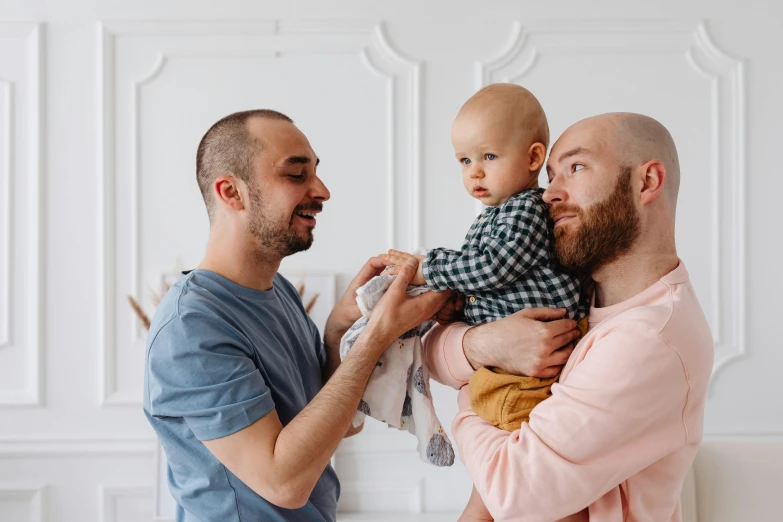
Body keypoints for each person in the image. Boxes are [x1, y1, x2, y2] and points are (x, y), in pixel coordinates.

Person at [142, 109, 450, 522]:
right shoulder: (191, 327)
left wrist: (340, 332)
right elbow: (283, 483)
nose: (321, 191)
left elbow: (338, 427)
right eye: (295, 174)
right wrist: (377, 335)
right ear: (231, 192)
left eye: (315, 173)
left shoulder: (278, 292)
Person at [420, 112, 714, 521]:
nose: (547, 194)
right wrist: (483, 343)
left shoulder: (649, 337)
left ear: (647, 181)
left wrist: (471, 394)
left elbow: (514, 491)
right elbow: (430, 352)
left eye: (575, 168)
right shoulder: (575, 294)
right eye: (551, 173)